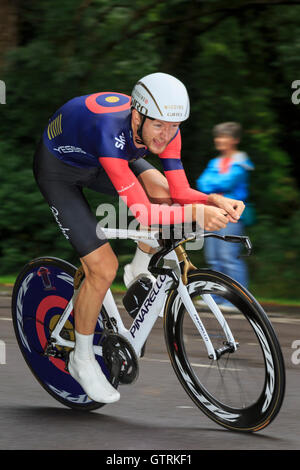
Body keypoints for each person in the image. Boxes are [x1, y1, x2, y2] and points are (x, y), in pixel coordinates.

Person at [33, 73, 245, 404]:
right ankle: (82, 358)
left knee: (166, 194)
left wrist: (214, 201)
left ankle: (139, 269)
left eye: (174, 126)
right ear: (138, 115)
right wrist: (195, 215)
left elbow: (180, 192)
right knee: (102, 268)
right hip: (61, 169)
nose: (167, 135)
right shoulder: (109, 131)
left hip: (104, 158)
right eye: (159, 125)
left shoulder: (166, 130)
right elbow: (145, 214)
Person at [196, 122, 254, 299]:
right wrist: (216, 183)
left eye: (224, 137)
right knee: (213, 258)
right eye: (218, 136)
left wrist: (213, 184)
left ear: (234, 140)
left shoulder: (241, 163)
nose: (219, 140)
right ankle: (216, 297)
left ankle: (238, 300)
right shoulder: (215, 162)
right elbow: (201, 183)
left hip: (232, 216)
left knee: (229, 258)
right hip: (213, 213)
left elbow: (226, 183)